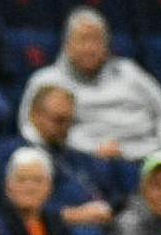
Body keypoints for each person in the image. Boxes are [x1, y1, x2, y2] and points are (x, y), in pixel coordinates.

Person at [17, 9, 161, 162]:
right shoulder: (46, 81)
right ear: (67, 44)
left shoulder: (130, 71)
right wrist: (92, 149)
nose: (90, 48)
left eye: (97, 41)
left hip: (150, 156)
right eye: (83, 40)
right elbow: (31, 129)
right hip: (87, 160)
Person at [24, 83, 120, 226]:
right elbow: (24, 206)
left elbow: (109, 188)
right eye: (59, 120)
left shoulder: (75, 155)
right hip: (62, 228)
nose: (65, 128)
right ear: (34, 115)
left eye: (70, 121)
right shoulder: (18, 156)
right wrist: (73, 215)